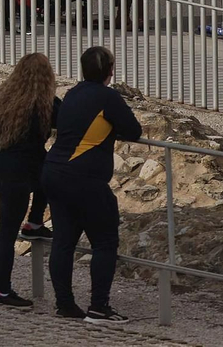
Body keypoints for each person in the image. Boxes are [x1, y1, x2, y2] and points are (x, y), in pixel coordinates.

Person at [42, 45, 140, 325]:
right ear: (110, 71)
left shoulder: (73, 93)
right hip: (84, 177)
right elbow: (134, 130)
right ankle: (99, 308)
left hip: (54, 171)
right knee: (105, 241)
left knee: (63, 241)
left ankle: (65, 304)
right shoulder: (108, 97)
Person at [0, 53, 59, 308]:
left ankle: (33, 223)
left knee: (5, 233)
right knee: (7, 235)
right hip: (19, 174)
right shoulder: (47, 105)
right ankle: (2, 290)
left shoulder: (6, 99)